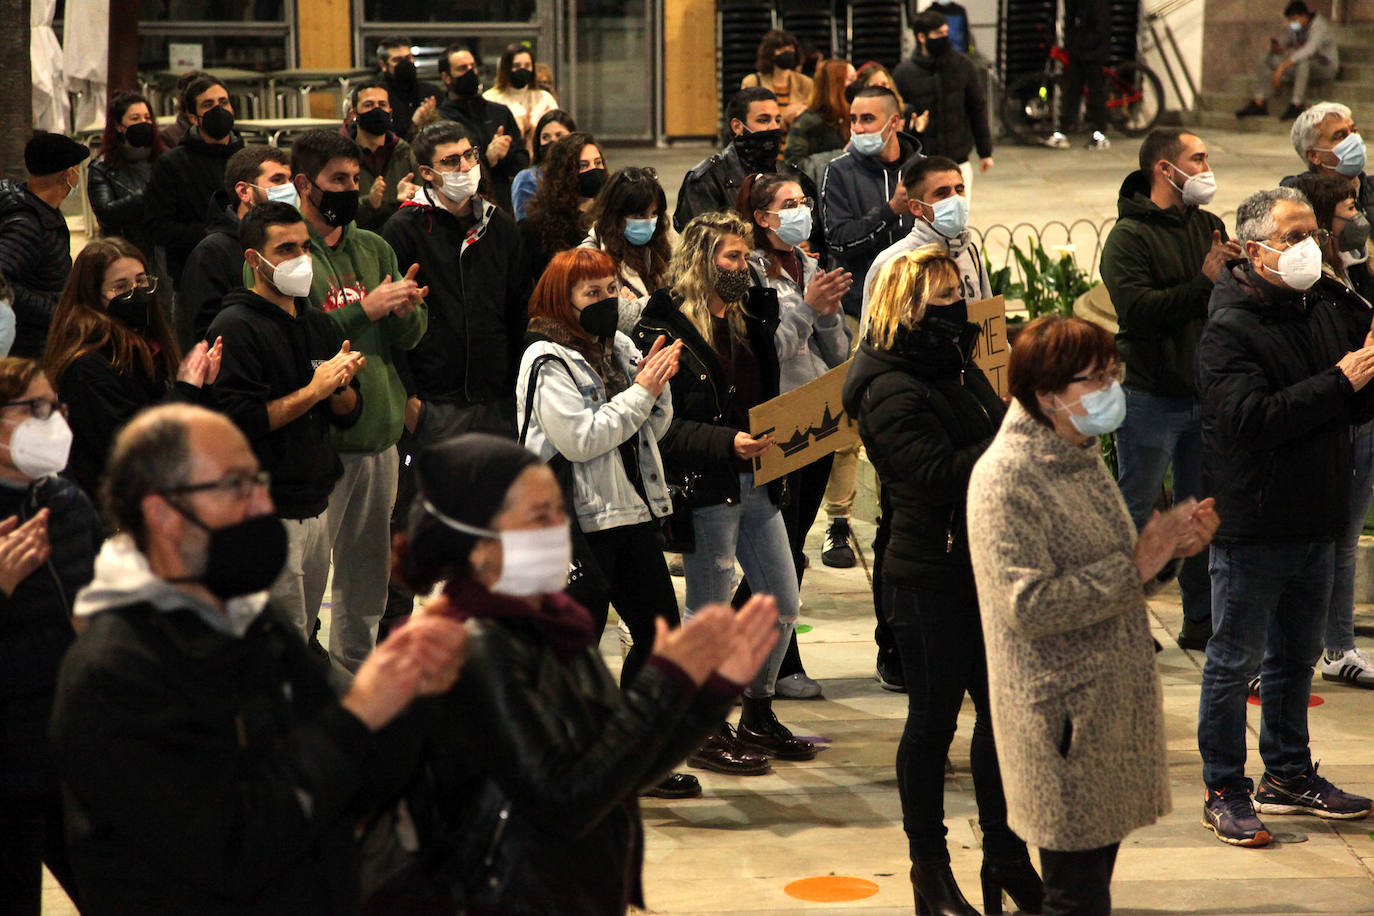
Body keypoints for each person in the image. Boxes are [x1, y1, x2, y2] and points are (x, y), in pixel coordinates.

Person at [49, 403, 467, 914]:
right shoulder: (114, 671)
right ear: (163, 515)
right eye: (236, 486)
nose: (261, 504)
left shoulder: (250, 620)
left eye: (258, 482)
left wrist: (410, 689)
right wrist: (360, 716)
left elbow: (355, 773)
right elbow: (231, 846)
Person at [395, 432, 779, 911]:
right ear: (479, 546)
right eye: (539, 517)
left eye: (559, 511)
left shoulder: (554, 625)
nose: (560, 529)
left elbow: (614, 770)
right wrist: (664, 682)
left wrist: (705, 697)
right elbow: (563, 799)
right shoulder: (471, 644)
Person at [967, 315, 1217, 915]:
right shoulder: (1008, 477)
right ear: (1048, 396)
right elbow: (1028, 605)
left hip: (1103, 709)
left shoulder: (1074, 449)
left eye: (1113, 373)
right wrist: (1138, 566)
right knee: (1074, 897)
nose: (1111, 389)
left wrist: (1165, 555)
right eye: (1095, 379)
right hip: (1062, 722)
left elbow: (1112, 565)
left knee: (1087, 889)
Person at [843, 248, 1039, 916]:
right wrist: (1018, 433)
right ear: (907, 307)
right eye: (944, 295)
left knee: (1002, 717)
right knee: (932, 724)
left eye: (959, 289)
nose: (959, 303)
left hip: (980, 566)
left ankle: (1006, 856)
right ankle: (929, 869)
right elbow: (937, 473)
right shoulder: (888, 386)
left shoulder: (951, 364)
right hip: (926, 576)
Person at [1195, 187, 1374, 847]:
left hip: (1318, 516)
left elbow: (1345, 408)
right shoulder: (1228, 328)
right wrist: (1343, 380)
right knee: (1233, 660)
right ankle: (1224, 787)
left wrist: (1362, 379)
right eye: (1292, 236)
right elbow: (1253, 421)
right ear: (1251, 249)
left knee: (1295, 658)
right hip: (1255, 523)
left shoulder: (1321, 304)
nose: (1307, 248)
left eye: (1311, 235)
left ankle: (1289, 774)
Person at [632, 210, 816, 766]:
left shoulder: (748, 316)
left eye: (745, 257)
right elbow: (659, 425)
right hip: (707, 486)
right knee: (706, 616)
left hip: (758, 482)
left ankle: (756, 708)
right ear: (701, 259)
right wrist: (725, 442)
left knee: (781, 602)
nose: (742, 268)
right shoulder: (663, 325)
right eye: (731, 258)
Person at [516, 247, 701, 797]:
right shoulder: (546, 358)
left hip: (627, 510)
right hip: (573, 523)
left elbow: (652, 429)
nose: (605, 301)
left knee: (660, 635)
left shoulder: (617, 346)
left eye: (609, 289)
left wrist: (656, 390)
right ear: (563, 299)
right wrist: (643, 392)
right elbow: (580, 440)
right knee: (575, 649)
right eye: (590, 293)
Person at [381, 122, 531, 635]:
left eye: (470, 156)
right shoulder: (402, 231)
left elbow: (517, 315)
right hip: (433, 405)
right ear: (425, 173)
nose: (466, 168)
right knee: (412, 532)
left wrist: (517, 393)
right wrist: (409, 400)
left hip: (494, 402)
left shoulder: (500, 227)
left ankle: (484, 641)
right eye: (451, 162)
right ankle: (394, 641)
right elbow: (389, 327)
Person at [288, 129, 428, 673]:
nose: (351, 189)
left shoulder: (373, 246)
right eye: (337, 180)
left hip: (380, 442)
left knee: (366, 586)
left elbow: (410, 339)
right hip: (321, 447)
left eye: (355, 179)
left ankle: (357, 687)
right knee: (307, 583)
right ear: (305, 184)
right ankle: (305, 691)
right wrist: (366, 310)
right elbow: (299, 337)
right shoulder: (290, 252)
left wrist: (406, 312)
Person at [1099, 128, 1239, 651]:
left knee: (1199, 513)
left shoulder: (1208, 225)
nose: (1206, 167)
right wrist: (1204, 283)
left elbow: (1222, 303)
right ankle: (1123, 621)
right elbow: (1137, 312)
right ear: (1165, 168)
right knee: (1137, 513)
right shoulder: (1128, 237)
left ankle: (1200, 620)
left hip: (1205, 395)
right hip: (1151, 397)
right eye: (1197, 158)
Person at [207, 201, 366, 645]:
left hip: (315, 500)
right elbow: (240, 423)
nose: (300, 258)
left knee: (305, 630)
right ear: (254, 260)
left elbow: (348, 414)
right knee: (278, 642)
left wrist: (341, 386)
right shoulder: (235, 327)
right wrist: (314, 391)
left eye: (304, 247)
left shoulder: (317, 325)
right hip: (265, 510)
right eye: (285, 249)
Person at [737, 173, 851, 699]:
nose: (802, 210)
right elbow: (766, 353)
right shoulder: (748, 272)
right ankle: (767, 662)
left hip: (815, 417)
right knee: (775, 550)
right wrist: (807, 306)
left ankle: (767, 658)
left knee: (793, 545)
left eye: (805, 201)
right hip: (774, 422)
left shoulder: (809, 262)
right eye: (790, 204)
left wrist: (825, 312)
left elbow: (837, 350)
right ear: (763, 218)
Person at [0, 356, 101, 916]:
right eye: (33, 409)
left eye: (54, 407)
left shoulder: (67, 503)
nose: (52, 420)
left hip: (73, 746)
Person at [820, 84, 918, 591]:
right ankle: (837, 523)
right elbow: (839, 239)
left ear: (894, 122)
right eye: (853, 119)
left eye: (866, 119)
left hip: (912, 315)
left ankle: (895, 513)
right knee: (848, 422)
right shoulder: (839, 171)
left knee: (904, 421)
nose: (857, 128)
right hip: (860, 312)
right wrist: (890, 212)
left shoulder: (923, 166)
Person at [42, 238, 220, 498]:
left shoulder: (149, 343)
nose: (136, 292)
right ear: (92, 297)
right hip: (119, 507)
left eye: (141, 281)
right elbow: (129, 445)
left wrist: (204, 386)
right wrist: (186, 389)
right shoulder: (86, 366)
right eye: (120, 286)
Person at [1286, 170, 1374, 688]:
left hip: (1361, 415)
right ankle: (1298, 649)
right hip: (1330, 413)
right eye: (1347, 208)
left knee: (1345, 538)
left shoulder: (1353, 267)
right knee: (1317, 541)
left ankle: (1339, 646)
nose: (1357, 216)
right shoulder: (1305, 278)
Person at [178, 146, 294, 347]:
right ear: (244, 191)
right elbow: (203, 337)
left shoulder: (295, 244)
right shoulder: (212, 253)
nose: (289, 188)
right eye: (277, 180)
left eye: (290, 180)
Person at [142, 76, 247, 294]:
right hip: (195, 275)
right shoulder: (171, 164)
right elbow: (158, 227)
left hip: (246, 270)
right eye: (208, 105)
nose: (218, 110)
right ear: (193, 118)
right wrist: (212, 235)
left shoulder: (248, 158)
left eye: (223, 102)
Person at [861, 154, 990, 318]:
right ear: (916, 207)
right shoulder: (893, 262)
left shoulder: (969, 251)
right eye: (942, 193)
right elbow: (877, 336)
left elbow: (989, 320)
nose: (955, 199)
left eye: (959, 190)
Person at [0, 132, 89, 357]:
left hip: (46, 340)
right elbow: (3, 284)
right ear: (68, 174)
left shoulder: (44, 214)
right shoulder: (26, 224)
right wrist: (56, 310)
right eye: (77, 169)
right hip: (29, 347)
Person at [892, 8, 993, 197]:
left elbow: (977, 109)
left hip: (958, 159)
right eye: (938, 34)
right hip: (922, 161)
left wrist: (985, 152)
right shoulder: (903, 73)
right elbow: (899, 115)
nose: (945, 38)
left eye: (946, 32)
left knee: (958, 217)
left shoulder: (964, 66)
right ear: (921, 37)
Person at [674, 88, 784, 232]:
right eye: (763, 120)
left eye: (777, 120)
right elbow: (703, 244)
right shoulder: (707, 179)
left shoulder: (786, 172)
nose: (774, 127)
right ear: (737, 126)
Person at [435, 44, 530, 211]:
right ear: (446, 77)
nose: (471, 72)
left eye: (473, 66)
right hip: (462, 208)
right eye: (462, 68)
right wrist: (487, 159)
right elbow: (447, 173)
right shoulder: (440, 121)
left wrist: (505, 153)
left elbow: (522, 160)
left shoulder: (499, 112)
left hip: (502, 205)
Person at [583, 166, 674, 334]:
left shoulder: (660, 244)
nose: (649, 222)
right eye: (639, 216)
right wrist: (665, 300)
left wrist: (639, 304)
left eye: (654, 213)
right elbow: (622, 321)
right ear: (615, 215)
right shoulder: (590, 256)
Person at [87, 90, 165, 259]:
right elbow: (105, 212)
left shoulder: (165, 160)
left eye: (147, 118)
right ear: (119, 126)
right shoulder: (102, 168)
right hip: (124, 254)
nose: (143, 123)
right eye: (135, 119)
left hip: (163, 253)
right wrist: (147, 195)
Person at [520, 131, 606, 281]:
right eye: (583, 165)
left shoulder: (610, 215)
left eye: (598, 163)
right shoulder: (537, 225)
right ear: (564, 173)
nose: (594, 170)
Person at [1236, 1, 1339, 121]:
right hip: (1302, 70)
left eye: (1294, 19)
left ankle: (1296, 104)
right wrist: (1277, 46)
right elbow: (1285, 40)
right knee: (1268, 58)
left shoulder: (1319, 26)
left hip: (1324, 67)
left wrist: (1282, 67)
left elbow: (1309, 50)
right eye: (1290, 20)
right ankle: (1259, 102)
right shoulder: (1296, 27)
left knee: (1302, 62)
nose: (1292, 23)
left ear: (1304, 16)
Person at [1282, 101, 1373, 231]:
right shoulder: (1298, 204)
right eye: (1340, 136)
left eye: (1354, 130)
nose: (1354, 140)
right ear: (1314, 155)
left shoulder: (1370, 189)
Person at [347, 81, 420, 233]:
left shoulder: (404, 152)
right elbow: (334, 213)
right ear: (354, 114)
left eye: (382, 105)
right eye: (368, 105)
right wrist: (369, 203)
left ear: (390, 113)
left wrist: (412, 198)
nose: (377, 110)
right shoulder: (341, 154)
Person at [1043, 0, 1112, 150]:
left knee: (1096, 94)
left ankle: (1100, 134)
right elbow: (1071, 24)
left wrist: (1079, 45)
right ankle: (1062, 132)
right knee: (1071, 92)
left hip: (1093, 55)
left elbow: (1100, 28)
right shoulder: (1074, 3)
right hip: (1078, 54)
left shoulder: (1096, 4)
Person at [783, 58, 854, 182]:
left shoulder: (853, 118)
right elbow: (793, 167)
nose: (856, 86)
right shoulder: (808, 121)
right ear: (835, 85)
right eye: (850, 80)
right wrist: (840, 155)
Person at [483, 42, 560, 152]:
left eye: (527, 66)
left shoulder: (544, 98)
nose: (522, 70)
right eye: (517, 66)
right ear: (506, 68)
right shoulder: (490, 98)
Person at [511, 109, 576, 221]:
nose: (553, 141)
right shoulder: (528, 178)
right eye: (545, 137)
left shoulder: (579, 174)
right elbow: (526, 224)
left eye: (559, 135)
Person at [740, 29, 814, 127]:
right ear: (769, 53)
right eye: (781, 49)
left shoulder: (806, 83)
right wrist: (787, 118)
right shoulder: (752, 81)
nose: (787, 52)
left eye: (791, 48)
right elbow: (746, 118)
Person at [375, 35, 443, 139]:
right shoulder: (378, 97)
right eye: (397, 60)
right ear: (384, 65)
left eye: (408, 58)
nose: (405, 63)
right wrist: (414, 124)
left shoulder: (431, 92)